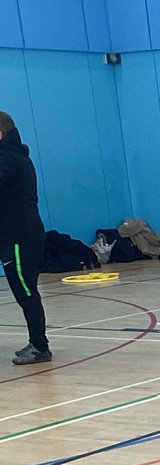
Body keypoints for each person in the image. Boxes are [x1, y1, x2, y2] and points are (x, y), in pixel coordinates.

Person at [0, 110, 51, 365]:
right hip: (19, 235)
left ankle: (40, 347)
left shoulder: (7, 158)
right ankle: (36, 342)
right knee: (26, 291)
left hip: (19, 237)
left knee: (25, 292)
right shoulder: (17, 156)